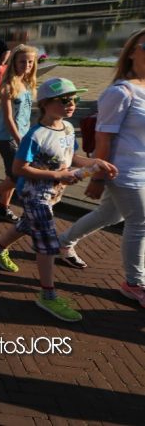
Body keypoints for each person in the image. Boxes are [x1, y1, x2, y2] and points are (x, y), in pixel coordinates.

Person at [0, 78, 117, 322]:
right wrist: (57, 175)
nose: (71, 104)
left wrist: (96, 162)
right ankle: (48, 295)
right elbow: (19, 168)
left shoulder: (67, 128)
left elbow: (71, 157)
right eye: (64, 100)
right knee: (48, 244)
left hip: (53, 193)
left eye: (74, 99)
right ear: (45, 103)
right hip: (34, 196)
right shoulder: (35, 135)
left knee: (27, 224)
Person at [57, 29, 145, 294]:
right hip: (122, 170)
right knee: (140, 222)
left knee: (110, 214)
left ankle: (63, 242)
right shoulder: (121, 92)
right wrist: (97, 177)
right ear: (132, 53)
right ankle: (134, 283)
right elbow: (103, 138)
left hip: (141, 166)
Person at [0, 45, 38, 221]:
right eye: (22, 62)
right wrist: (19, 139)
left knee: (11, 174)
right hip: (8, 138)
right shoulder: (8, 86)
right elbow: (9, 118)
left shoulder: (28, 83)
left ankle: (3, 207)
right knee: (18, 175)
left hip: (23, 136)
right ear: (14, 63)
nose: (27, 65)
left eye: (30, 62)